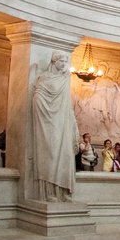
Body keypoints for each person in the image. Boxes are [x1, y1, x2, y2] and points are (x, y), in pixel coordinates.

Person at [32, 51, 81, 202]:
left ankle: (64, 192)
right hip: (48, 122)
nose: (64, 65)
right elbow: (37, 97)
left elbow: (67, 102)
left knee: (66, 156)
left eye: (66, 62)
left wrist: (72, 123)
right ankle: (49, 192)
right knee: (50, 154)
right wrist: (45, 111)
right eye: (62, 61)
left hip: (64, 123)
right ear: (54, 61)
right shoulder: (44, 78)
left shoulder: (64, 78)